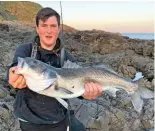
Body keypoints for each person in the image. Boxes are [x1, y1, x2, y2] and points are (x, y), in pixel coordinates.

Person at [8, 7, 102, 131]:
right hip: (29, 120)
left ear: (58, 29)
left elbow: (75, 91)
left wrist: (86, 94)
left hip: (59, 120)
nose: (48, 31)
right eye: (44, 25)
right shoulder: (25, 51)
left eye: (53, 26)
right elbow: (14, 68)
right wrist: (12, 74)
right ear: (37, 28)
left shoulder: (68, 59)